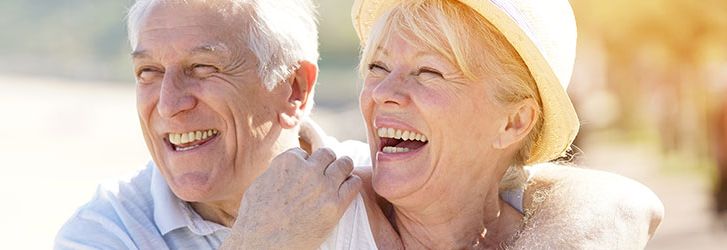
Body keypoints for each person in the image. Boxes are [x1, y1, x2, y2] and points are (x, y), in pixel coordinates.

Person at [55, 0, 664, 249]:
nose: (166, 102)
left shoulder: (359, 190)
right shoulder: (105, 231)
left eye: (429, 72)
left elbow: (623, 201)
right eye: (377, 66)